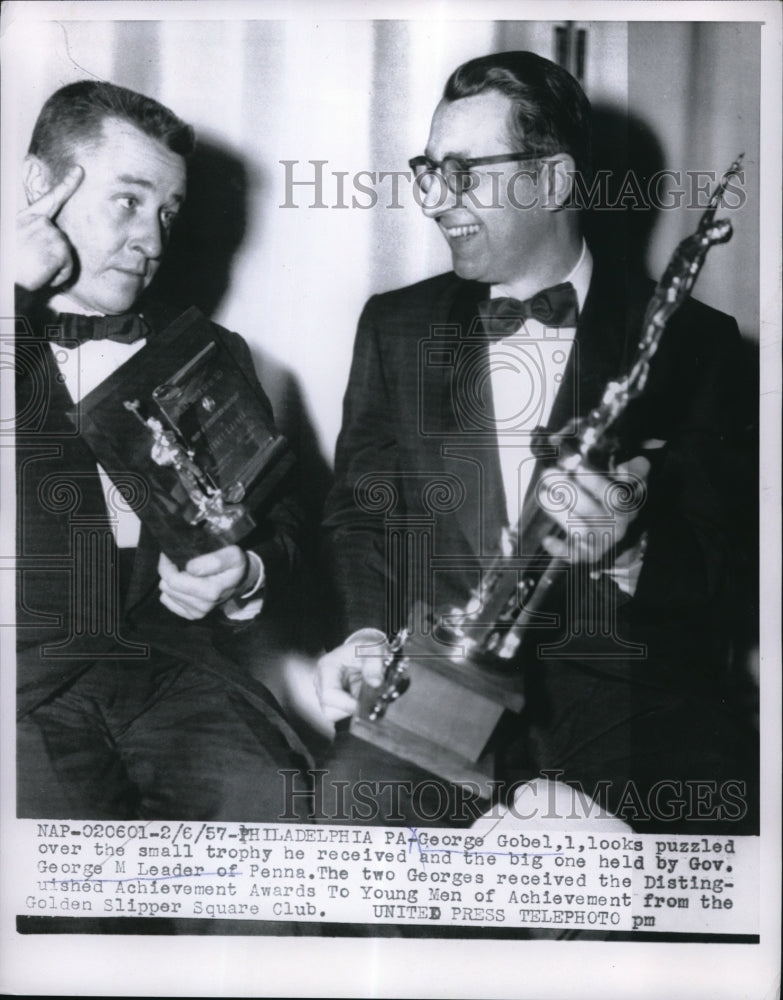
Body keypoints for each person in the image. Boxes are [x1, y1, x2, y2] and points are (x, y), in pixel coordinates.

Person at [317, 51, 757, 832]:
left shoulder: (697, 343)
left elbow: (725, 567)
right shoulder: (394, 326)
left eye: (463, 172)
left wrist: (626, 547)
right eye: (429, 170)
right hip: (439, 699)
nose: (434, 200)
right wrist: (364, 634)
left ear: (552, 181)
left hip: (634, 710)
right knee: (351, 804)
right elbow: (360, 518)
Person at [15, 80, 312, 821]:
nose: (151, 240)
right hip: (23, 685)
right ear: (40, 185)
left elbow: (285, 520)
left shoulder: (206, 352)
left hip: (174, 669)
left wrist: (245, 571)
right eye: (128, 200)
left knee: (277, 803)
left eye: (167, 214)